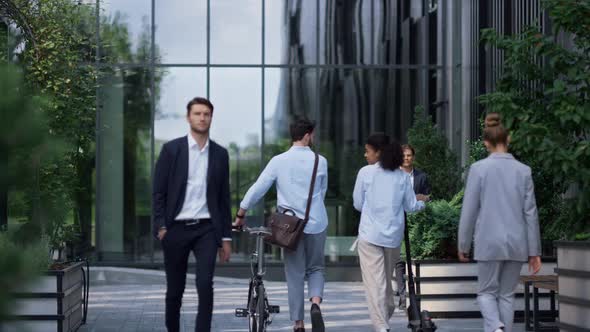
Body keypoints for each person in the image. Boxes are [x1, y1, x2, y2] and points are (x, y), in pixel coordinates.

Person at [234, 118, 329, 332]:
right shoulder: (320, 161)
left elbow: (259, 188)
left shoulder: (278, 161)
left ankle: (298, 323)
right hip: (317, 223)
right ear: (307, 135)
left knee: (294, 273)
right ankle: (315, 304)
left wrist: (241, 212)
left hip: (289, 228)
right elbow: (321, 192)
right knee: (316, 268)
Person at [152, 97, 232, 332]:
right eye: (197, 113)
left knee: (205, 284)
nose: (202, 118)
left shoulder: (220, 154)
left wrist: (225, 238)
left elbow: (223, 198)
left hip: (206, 229)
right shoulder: (171, 150)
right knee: (175, 289)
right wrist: (161, 226)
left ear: (211, 118)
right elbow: (158, 192)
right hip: (175, 228)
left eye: (206, 114)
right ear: (189, 117)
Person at [458, 112, 542, 332]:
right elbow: (530, 212)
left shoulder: (478, 169)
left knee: (486, 293)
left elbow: (469, 211)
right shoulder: (524, 171)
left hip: (488, 241)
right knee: (506, 295)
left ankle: (496, 327)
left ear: (486, 143)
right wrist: (535, 251)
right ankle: (500, 329)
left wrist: (463, 245)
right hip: (517, 242)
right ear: (508, 139)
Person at [353, 140, 429, 332]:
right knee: (385, 281)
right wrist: (423, 203)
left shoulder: (365, 173)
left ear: (378, 152)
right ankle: (384, 318)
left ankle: (381, 326)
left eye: (367, 151)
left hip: (370, 235)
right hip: (393, 237)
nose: (365, 155)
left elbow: (358, 204)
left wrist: (372, 210)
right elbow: (411, 206)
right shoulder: (402, 176)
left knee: (375, 284)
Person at [395, 144, 432, 309]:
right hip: (397, 220)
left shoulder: (422, 177)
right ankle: (402, 294)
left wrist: (423, 198)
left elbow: (429, 197)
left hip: (416, 220)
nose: (406, 158)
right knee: (399, 259)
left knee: (412, 257)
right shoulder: (393, 175)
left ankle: (412, 292)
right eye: (404, 155)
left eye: (409, 155)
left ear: (413, 157)